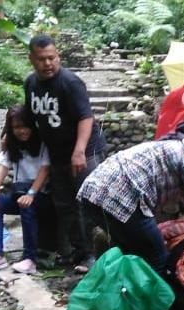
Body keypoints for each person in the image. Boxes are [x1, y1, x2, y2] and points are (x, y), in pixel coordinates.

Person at [77, 117, 184, 274]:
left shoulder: (168, 145)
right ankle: (156, 297)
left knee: (131, 251)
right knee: (157, 256)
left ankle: (123, 292)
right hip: (120, 198)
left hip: (92, 192)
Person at [24, 33, 106, 273]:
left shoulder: (69, 83)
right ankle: (76, 251)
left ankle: (94, 255)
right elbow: (31, 116)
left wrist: (79, 151)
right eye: (42, 59)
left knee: (88, 202)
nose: (48, 63)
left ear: (58, 56)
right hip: (57, 155)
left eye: (52, 58)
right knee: (65, 205)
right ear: (32, 59)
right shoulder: (31, 84)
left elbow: (85, 116)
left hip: (84, 152)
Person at [0, 105, 50, 275]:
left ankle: (30, 259)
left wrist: (31, 194)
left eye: (24, 126)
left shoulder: (44, 143)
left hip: (41, 195)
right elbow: (3, 168)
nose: (21, 131)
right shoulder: (13, 146)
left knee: (26, 205)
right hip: (20, 193)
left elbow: (45, 170)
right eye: (16, 127)